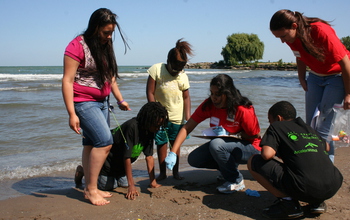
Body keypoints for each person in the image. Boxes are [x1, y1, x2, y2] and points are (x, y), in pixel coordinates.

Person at [62, 8, 130, 206]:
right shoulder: (77, 46)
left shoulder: (105, 45)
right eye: (105, 33)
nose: (109, 37)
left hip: (103, 103)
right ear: (95, 28)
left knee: (90, 144)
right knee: (105, 141)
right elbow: (67, 81)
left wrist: (120, 100)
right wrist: (71, 113)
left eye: (111, 33)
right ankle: (91, 190)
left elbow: (111, 78)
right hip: (83, 102)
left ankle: (90, 186)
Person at [269, 9, 350, 162]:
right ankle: (316, 164)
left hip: (337, 76)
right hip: (315, 77)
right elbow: (299, 56)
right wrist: (301, 77)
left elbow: (345, 63)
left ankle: (325, 167)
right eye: (278, 38)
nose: (282, 41)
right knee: (311, 127)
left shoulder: (321, 31)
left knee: (324, 127)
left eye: (283, 36)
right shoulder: (291, 38)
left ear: (294, 26)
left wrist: (348, 94)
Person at [165, 74, 261, 193]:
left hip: (251, 148)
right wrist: (173, 152)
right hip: (226, 145)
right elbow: (187, 127)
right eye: (211, 93)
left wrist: (233, 135)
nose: (213, 98)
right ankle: (227, 169)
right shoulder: (209, 105)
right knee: (194, 159)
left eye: (218, 94)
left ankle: (236, 180)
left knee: (216, 144)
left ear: (228, 93)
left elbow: (255, 136)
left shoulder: (242, 109)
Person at [247, 101, 343, 219]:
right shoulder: (307, 127)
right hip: (333, 185)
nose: (269, 123)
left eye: (269, 120)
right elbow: (327, 147)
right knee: (309, 165)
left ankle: (288, 204)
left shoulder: (277, 126)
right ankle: (317, 203)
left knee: (253, 161)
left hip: (305, 186)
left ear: (278, 118)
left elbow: (267, 155)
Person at [75, 102, 168, 200]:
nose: (158, 129)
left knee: (123, 184)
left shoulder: (150, 131)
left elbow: (149, 157)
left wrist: (152, 181)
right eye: (156, 125)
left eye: (160, 126)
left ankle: (115, 176)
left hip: (121, 167)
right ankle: (83, 171)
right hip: (107, 164)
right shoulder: (132, 127)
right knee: (108, 187)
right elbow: (126, 157)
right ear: (148, 121)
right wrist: (132, 185)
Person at [146, 39, 193, 181]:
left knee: (175, 145)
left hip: (178, 119)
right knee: (161, 144)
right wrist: (155, 113)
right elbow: (150, 92)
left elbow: (186, 97)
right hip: (160, 119)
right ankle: (162, 173)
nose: (176, 72)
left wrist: (188, 117)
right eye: (174, 69)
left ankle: (176, 172)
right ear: (168, 61)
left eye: (179, 69)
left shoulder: (183, 76)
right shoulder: (156, 69)